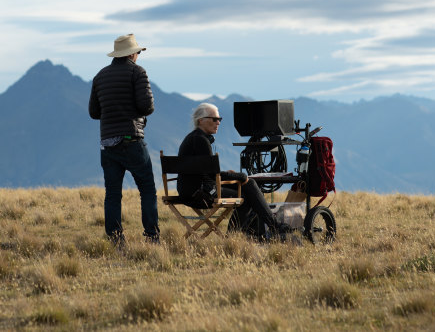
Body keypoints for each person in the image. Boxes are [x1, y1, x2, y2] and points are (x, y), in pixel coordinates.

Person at [177, 103, 288, 240]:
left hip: (193, 190)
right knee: (246, 195)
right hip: (200, 194)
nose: (218, 123)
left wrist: (236, 176)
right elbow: (213, 175)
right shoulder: (201, 141)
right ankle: (236, 237)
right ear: (201, 120)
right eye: (214, 119)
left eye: (220, 119)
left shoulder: (194, 138)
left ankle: (272, 226)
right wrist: (240, 176)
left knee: (249, 184)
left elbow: (208, 172)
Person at [88, 34, 160, 247]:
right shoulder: (138, 73)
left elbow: (94, 112)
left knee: (112, 194)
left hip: (108, 143)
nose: (138, 55)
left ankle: (116, 239)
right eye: (137, 52)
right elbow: (147, 106)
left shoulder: (99, 76)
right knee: (147, 190)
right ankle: (152, 236)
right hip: (132, 139)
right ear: (131, 54)